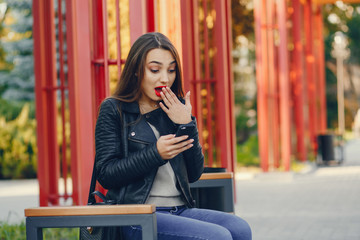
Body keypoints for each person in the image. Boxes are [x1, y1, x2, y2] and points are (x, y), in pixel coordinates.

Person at [94, 32, 252, 240]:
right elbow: (106, 174)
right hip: (137, 214)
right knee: (217, 237)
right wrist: (155, 153)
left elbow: (194, 173)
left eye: (171, 70)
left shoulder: (173, 108)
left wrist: (187, 124)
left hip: (180, 209)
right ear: (136, 71)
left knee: (240, 229)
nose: (165, 78)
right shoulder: (114, 109)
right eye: (154, 69)